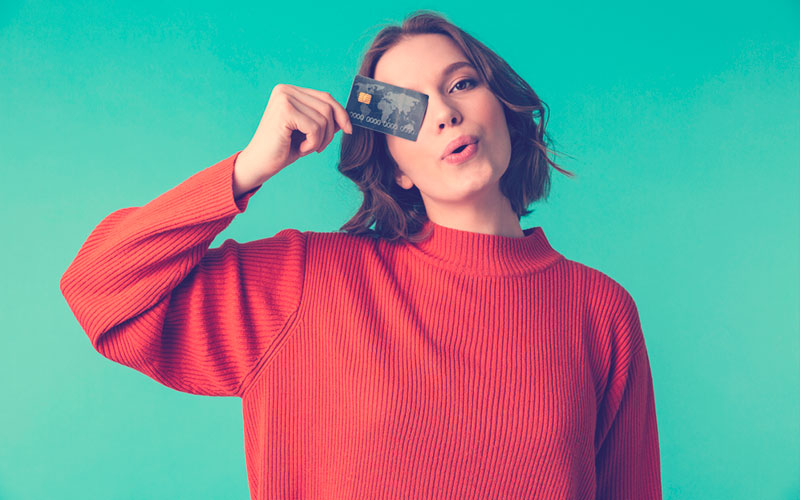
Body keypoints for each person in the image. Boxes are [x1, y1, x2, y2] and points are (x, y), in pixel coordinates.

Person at [60, 10, 662, 500]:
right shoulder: (307, 282)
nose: (446, 112)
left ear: (503, 109)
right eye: (410, 109)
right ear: (394, 168)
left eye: (461, 84)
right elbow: (98, 288)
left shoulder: (600, 310)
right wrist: (247, 169)